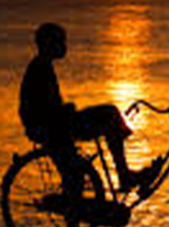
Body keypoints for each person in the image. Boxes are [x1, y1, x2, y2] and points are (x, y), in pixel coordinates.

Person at [19, 23, 161, 198]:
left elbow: (46, 107)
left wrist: (65, 110)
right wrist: (66, 110)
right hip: (53, 128)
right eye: (61, 42)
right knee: (110, 114)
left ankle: (124, 175)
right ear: (50, 44)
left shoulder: (41, 66)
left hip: (55, 124)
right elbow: (44, 110)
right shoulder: (40, 69)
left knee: (109, 115)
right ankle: (124, 176)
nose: (64, 46)